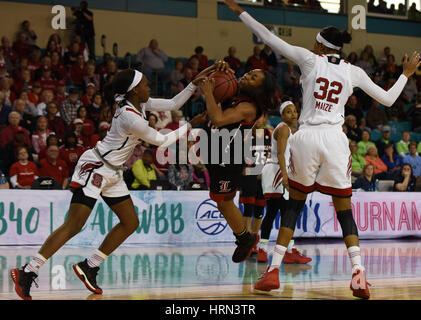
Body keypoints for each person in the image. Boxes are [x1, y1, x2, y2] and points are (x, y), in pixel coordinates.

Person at [223, 0, 420, 299]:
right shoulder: (353, 71)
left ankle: (273, 271)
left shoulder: (309, 59)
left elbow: (268, 37)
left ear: (319, 43)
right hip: (335, 139)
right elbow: (390, 100)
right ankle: (358, 275)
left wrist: (241, 12)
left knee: (294, 205)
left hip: (308, 136)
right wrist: (405, 73)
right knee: (344, 210)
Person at [9, 63, 221, 300]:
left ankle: (90, 266)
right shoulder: (130, 117)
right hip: (96, 167)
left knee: (130, 222)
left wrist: (195, 82)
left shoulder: (138, 102)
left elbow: (173, 104)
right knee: (73, 226)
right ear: (134, 90)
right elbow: (161, 140)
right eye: (145, 84)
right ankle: (27, 272)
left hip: (113, 171)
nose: (148, 87)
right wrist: (191, 124)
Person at [198, 60, 279, 264]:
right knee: (222, 201)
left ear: (258, 89)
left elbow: (217, 119)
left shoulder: (249, 107)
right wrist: (220, 67)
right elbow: (215, 79)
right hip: (217, 152)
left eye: (253, 78)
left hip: (228, 159)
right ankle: (244, 237)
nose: (247, 76)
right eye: (250, 72)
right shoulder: (237, 89)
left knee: (223, 202)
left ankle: (245, 238)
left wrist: (208, 92)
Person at [257, 99, 311, 264]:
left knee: (273, 212)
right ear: (282, 115)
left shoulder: (286, 130)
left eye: (294, 110)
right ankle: (288, 251)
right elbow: (280, 154)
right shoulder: (284, 129)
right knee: (288, 213)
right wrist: (286, 175)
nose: (293, 114)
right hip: (278, 172)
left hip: (276, 171)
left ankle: (263, 249)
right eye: (289, 111)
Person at [239, 114, 271, 238]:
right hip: (249, 175)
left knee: (259, 210)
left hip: (264, 177)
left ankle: (255, 237)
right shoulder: (246, 135)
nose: (258, 120)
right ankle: (246, 237)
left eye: (261, 117)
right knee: (248, 208)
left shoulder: (270, 133)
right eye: (256, 117)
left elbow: (273, 154)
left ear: (265, 119)